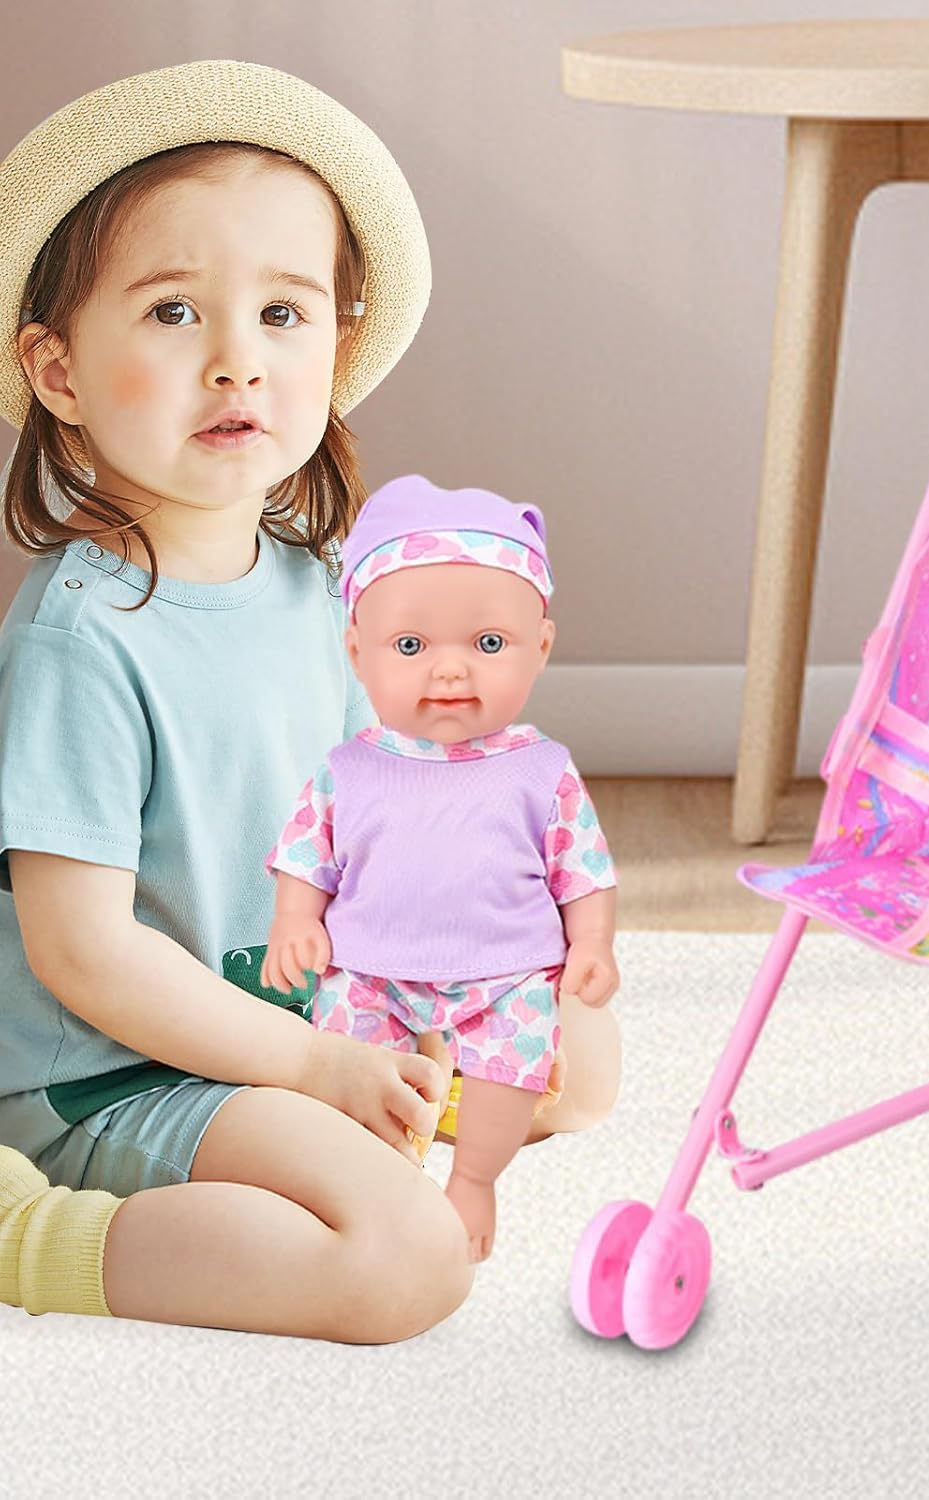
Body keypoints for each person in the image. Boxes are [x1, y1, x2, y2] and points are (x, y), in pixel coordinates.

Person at [0, 61, 615, 1338]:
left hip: (284, 1019)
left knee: (579, 1057)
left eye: (282, 314)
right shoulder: (82, 642)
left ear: (332, 348)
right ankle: (26, 1236)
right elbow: (84, 954)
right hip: (119, 1076)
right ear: (58, 373)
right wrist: (314, 1066)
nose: (238, 363)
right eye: (175, 313)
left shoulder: (321, 585)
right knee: (404, 1260)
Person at [264, 474, 620, 1261]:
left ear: (540, 648)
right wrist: (294, 921)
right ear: (358, 654)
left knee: (512, 1070)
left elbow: (583, 871)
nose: (450, 671)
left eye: (488, 645)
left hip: (505, 971)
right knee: (358, 1062)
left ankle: (475, 1179)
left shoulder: (543, 771)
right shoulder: (348, 770)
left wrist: (591, 942)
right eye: (411, 647)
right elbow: (306, 857)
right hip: (370, 970)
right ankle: (381, 1178)